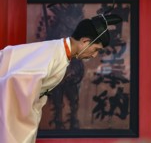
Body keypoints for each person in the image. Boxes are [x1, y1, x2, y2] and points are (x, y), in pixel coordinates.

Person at [0, 13, 122, 143]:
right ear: (85, 41)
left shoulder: (58, 51)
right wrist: (31, 107)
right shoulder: (54, 55)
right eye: (95, 49)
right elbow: (16, 80)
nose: (94, 55)